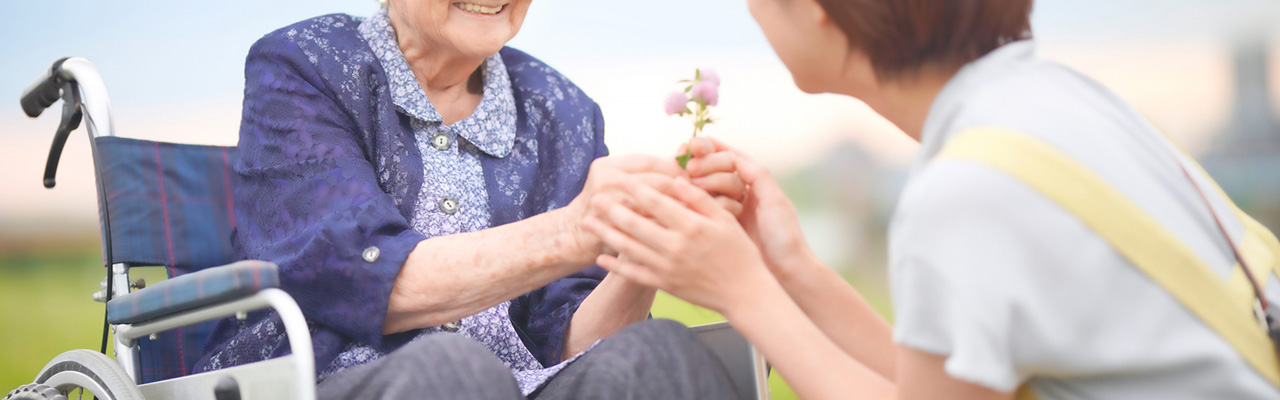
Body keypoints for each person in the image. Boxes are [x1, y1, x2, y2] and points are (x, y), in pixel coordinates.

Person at [583, 0, 1280, 399]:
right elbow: (942, 384)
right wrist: (792, 271)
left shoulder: (966, 192)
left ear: (822, 13)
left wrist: (743, 293)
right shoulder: (1046, 102)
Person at [194, 1, 743, 399]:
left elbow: (575, 343)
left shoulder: (563, 109)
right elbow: (357, 275)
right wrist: (575, 230)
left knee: (660, 348)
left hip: (525, 385)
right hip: (324, 381)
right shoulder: (303, 65)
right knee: (451, 370)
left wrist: (638, 247)